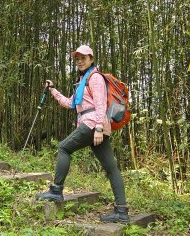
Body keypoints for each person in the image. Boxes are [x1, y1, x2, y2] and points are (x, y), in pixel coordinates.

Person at [35, 44, 129, 223]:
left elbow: (101, 104)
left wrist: (99, 129)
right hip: (94, 124)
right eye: (77, 58)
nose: (79, 61)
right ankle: (121, 211)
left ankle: (56, 191)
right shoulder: (83, 81)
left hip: (93, 124)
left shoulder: (95, 78)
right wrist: (53, 90)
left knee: (64, 148)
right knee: (111, 168)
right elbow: (70, 103)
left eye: (83, 58)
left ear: (91, 59)